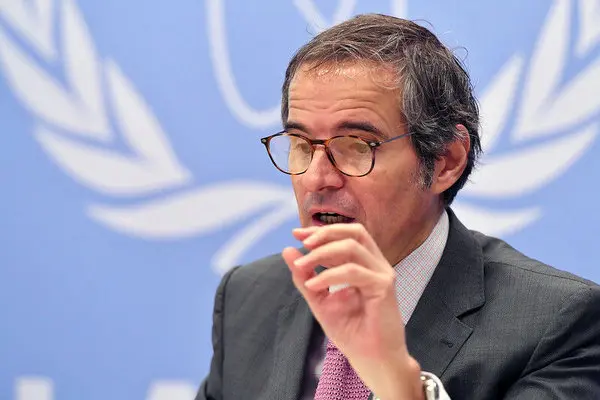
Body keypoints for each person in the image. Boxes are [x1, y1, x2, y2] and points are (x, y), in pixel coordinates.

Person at [195, 13, 600, 400]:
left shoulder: (557, 325)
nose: (317, 178)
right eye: (301, 144)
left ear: (446, 161)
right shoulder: (249, 297)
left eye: (356, 146)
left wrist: (395, 380)